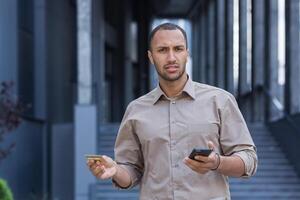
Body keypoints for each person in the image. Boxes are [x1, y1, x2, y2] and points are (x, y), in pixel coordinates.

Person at [87, 22, 257, 200]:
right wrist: (115, 171)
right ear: (151, 57)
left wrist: (217, 162)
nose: (171, 57)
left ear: (187, 53)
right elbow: (131, 171)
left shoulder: (220, 100)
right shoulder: (136, 110)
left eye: (178, 49)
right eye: (162, 50)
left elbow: (249, 161)